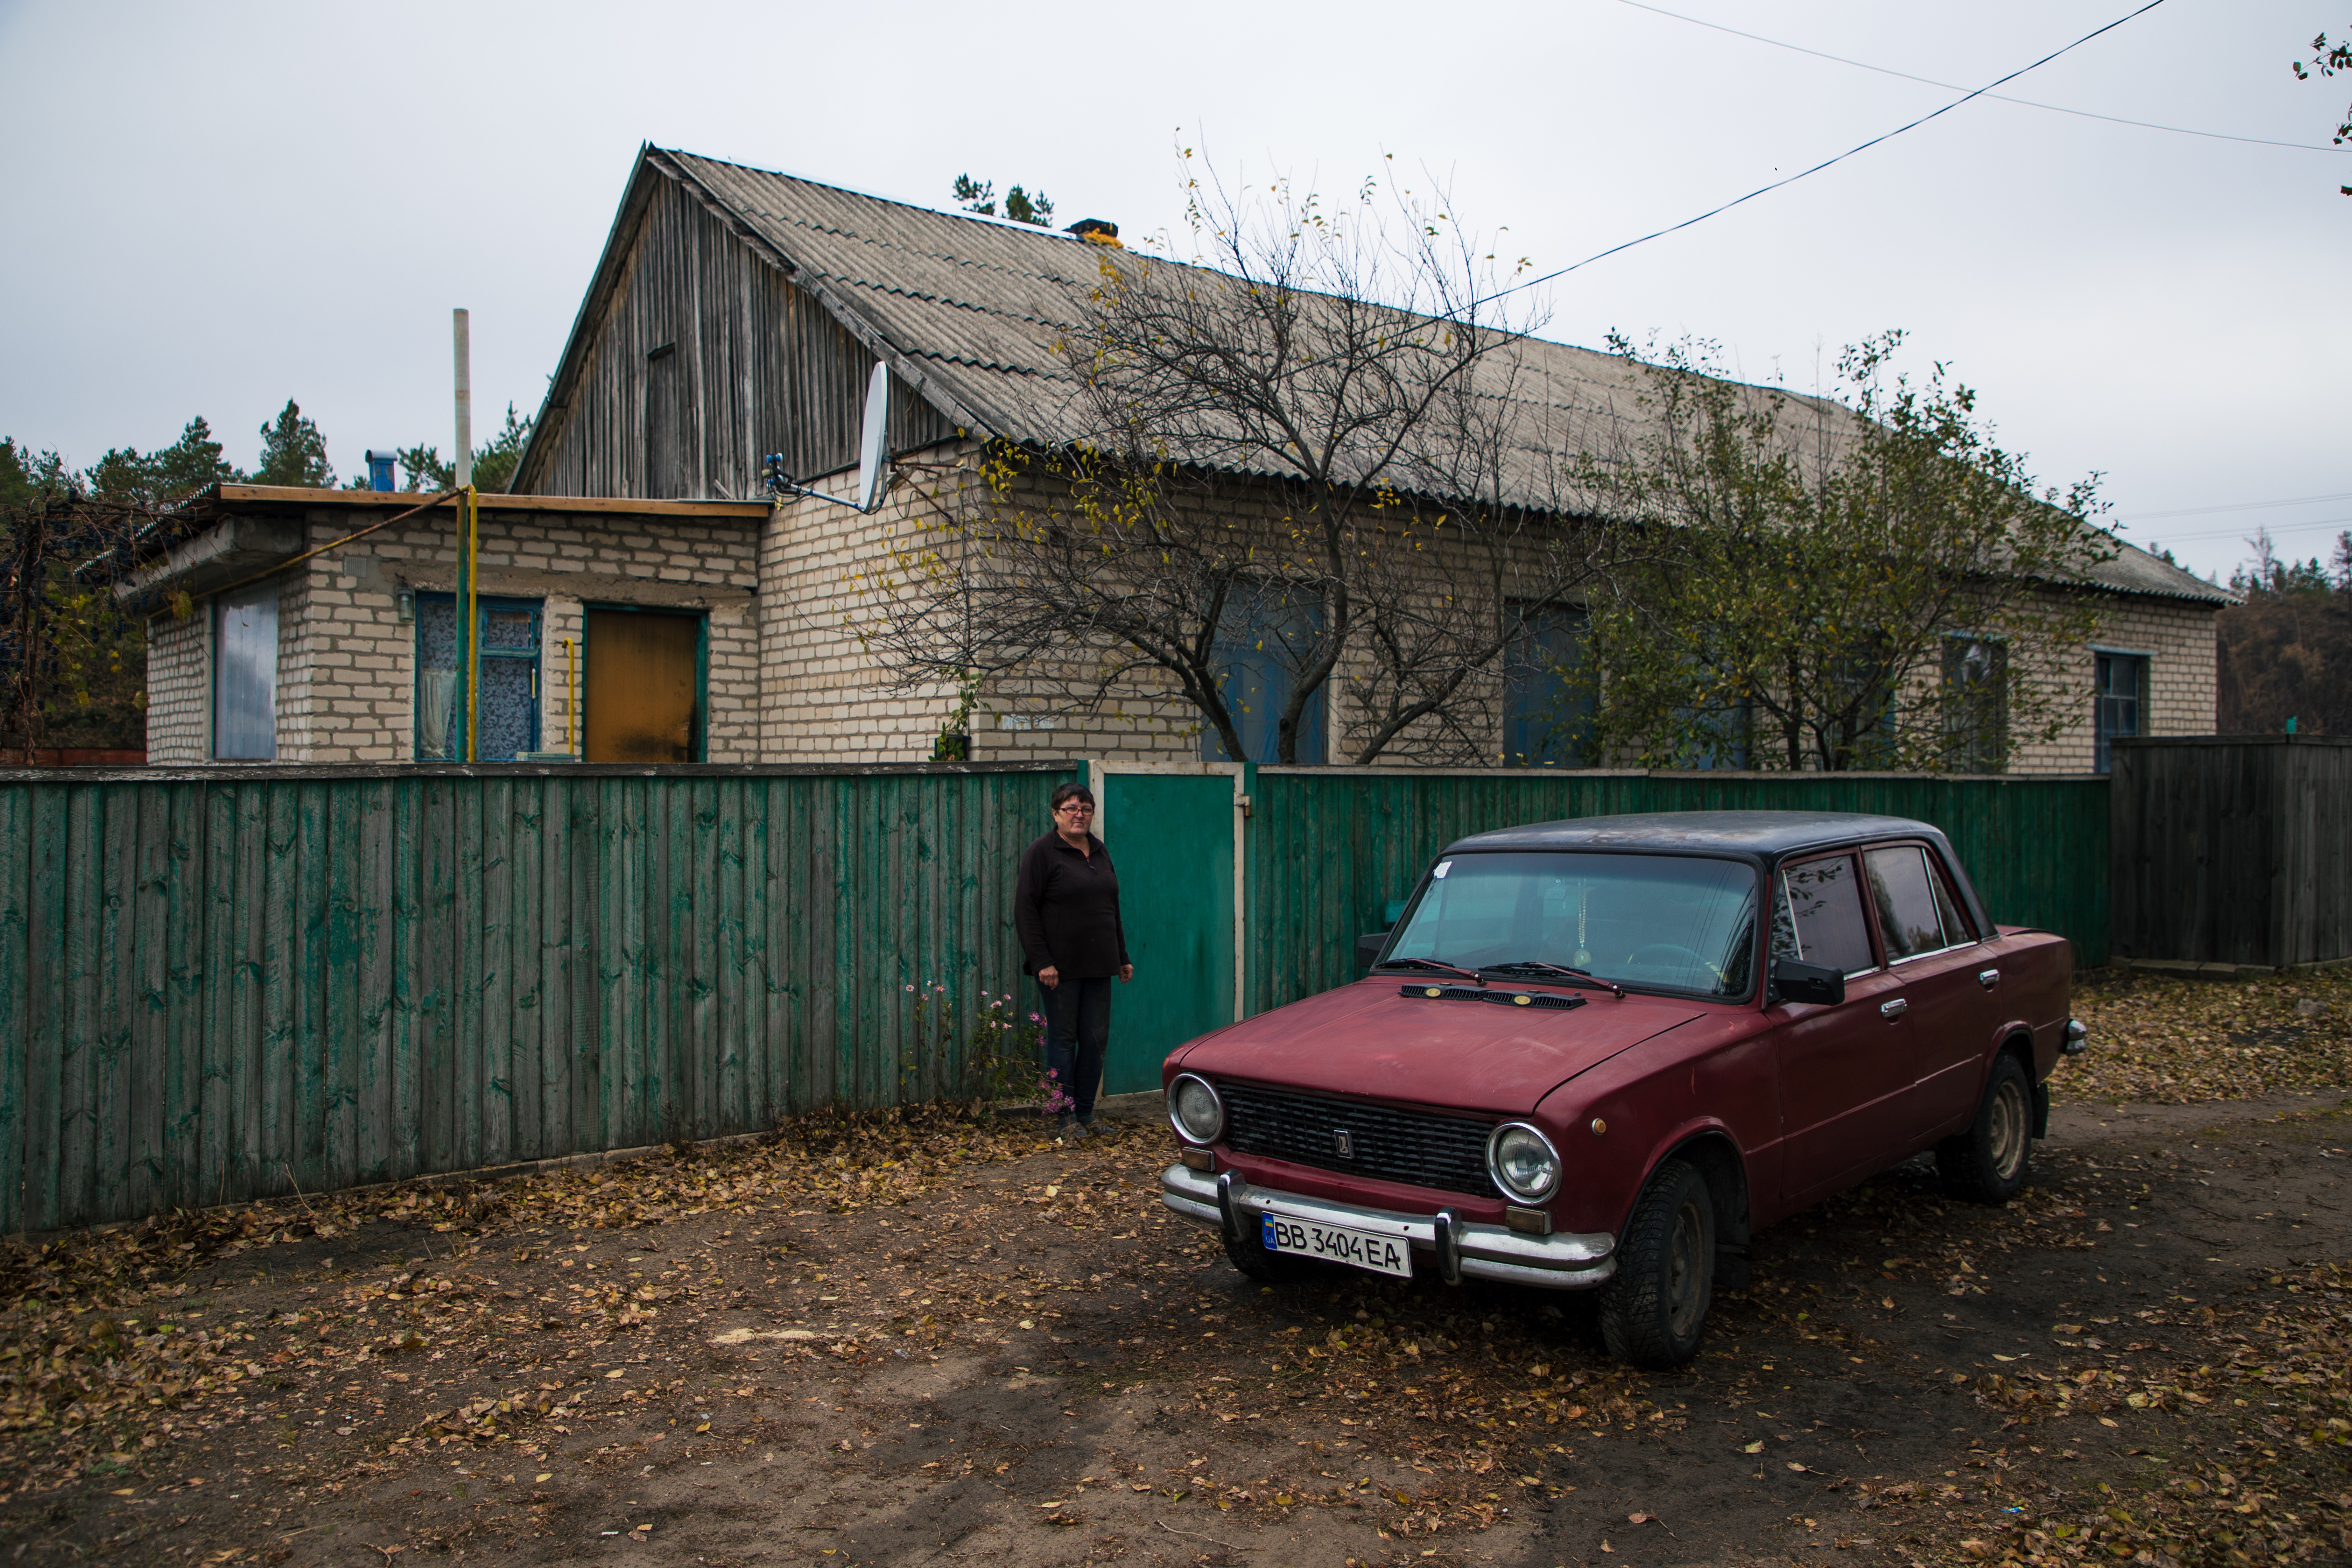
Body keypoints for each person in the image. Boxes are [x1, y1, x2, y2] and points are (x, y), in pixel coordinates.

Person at [1014, 782, 1133, 1137]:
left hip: (1100, 964)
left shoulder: (1099, 851)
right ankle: (1062, 1118)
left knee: (1095, 1041)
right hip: (1059, 969)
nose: (1079, 814)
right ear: (1056, 814)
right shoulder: (1043, 852)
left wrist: (1122, 955)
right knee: (1063, 1040)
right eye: (1071, 808)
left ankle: (1086, 1114)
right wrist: (1041, 961)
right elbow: (1025, 910)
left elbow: (1111, 908)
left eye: (1085, 808)